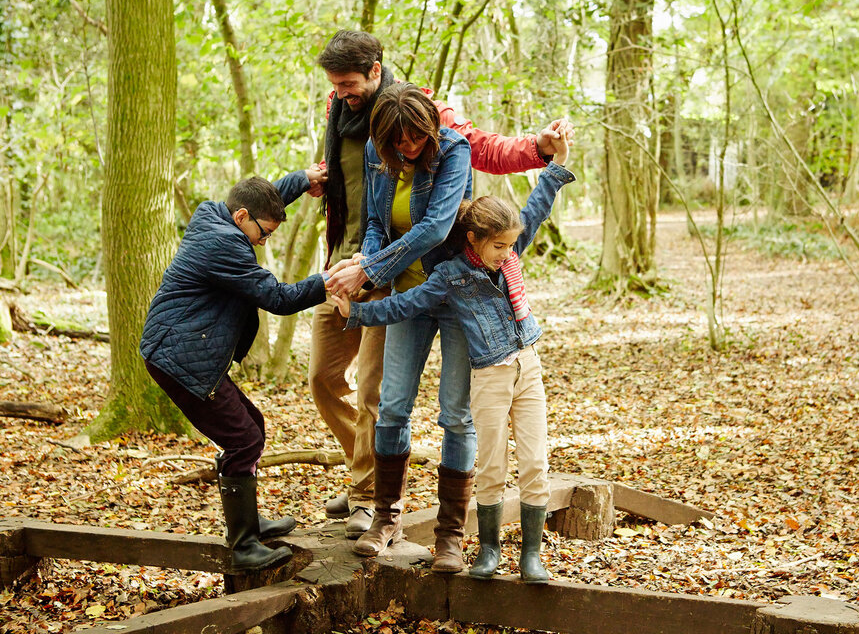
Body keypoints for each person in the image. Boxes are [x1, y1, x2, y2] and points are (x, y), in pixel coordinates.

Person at [310, 29, 573, 539]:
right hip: (355, 258)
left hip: (426, 280)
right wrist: (320, 185)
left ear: (377, 69)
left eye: (349, 83)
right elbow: (366, 200)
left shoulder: (434, 120)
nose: (343, 92)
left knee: (393, 395)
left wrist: (538, 150)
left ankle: (382, 505)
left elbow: (483, 153)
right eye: (336, 85)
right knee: (330, 379)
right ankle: (370, 478)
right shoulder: (343, 116)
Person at [330, 133, 573, 584]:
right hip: (450, 326)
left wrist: (555, 166)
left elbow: (534, 210)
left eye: (508, 247)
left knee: (482, 432)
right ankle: (396, 520)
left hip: (523, 362)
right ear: (475, 238)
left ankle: (459, 539)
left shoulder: (507, 248)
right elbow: (405, 303)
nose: (506, 256)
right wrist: (359, 310)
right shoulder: (451, 274)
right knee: (400, 411)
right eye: (497, 247)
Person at [140, 169, 327, 572]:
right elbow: (277, 297)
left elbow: (261, 198)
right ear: (241, 218)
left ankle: (248, 524)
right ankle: (243, 546)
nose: (264, 241)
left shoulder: (215, 216)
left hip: (184, 350)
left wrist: (301, 179)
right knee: (243, 439)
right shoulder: (224, 246)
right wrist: (328, 281)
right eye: (265, 234)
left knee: (252, 427)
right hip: (181, 358)